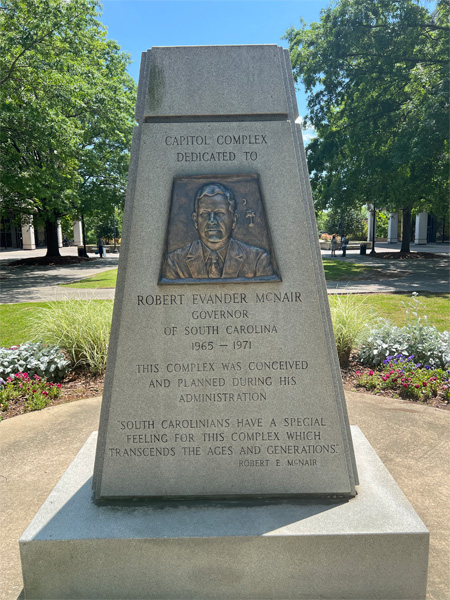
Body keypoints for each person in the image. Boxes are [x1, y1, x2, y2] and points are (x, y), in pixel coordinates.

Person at [162, 183, 275, 280]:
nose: (212, 221)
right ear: (196, 221)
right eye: (205, 214)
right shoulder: (174, 263)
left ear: (234, 220)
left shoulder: (258, 261)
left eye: (220, 213)